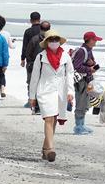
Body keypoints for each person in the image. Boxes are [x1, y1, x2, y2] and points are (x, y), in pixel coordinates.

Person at [29, 30, 74, 162]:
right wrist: (32, 96)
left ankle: (45, 148)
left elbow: (69, 74)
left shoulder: (66, 56)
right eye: (51, 40)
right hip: (44, 90)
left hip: (60, 91)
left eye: (56, 39)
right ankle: (50, 149)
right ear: (47, 42)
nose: (54, 42)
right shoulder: (40, 57)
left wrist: (70, 91)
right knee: (48, 118)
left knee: (54, 118)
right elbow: (34, 77)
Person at [72, 31, 102, 135]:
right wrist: (90, 69)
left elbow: (89, 63)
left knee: (85, 103)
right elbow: (76, 67)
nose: (96, 42)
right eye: (95, 40)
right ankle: (78, 127)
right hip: (81, 81)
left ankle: (82, 124)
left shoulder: (88, 50)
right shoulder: (82, 51)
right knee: (81, 102)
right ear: (90, 40)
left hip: (87, 80)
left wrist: (92, 64)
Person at [21, 11, 42, 106]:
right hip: (43, 60)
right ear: (40, 19)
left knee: (31, 81)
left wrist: (23, 59)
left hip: (31, 61)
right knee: (42, 81)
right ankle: (40, 101)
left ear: (30, 20)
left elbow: (25, 46)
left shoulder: (28, 31)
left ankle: (31, 101)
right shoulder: (44, 31)